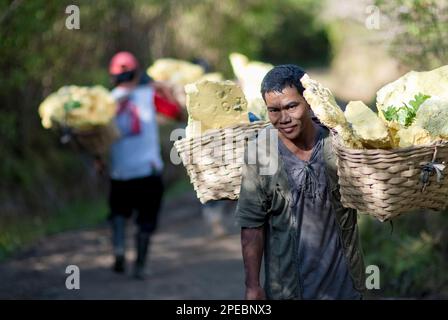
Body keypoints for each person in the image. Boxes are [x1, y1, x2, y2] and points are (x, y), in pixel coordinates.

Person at [235, 65, 366, 299]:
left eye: (291, 106)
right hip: (288, 290)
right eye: (274, 110)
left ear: (308, 102)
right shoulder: (260, 154)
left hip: (344, 288)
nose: (284, 118)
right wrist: (252, 285)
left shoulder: (337, 143)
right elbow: (252, 226)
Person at [106, 51, 182, 279]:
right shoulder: (149, 95)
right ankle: (140, 265)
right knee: (146, 220)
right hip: (148, 170)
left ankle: (119, 249)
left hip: (120, 171)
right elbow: (176, 113)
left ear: (112, 77)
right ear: (137, 73)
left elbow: (94, 137)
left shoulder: (104, 102)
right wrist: (165, 90)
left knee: (119, 212)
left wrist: (100, 161)